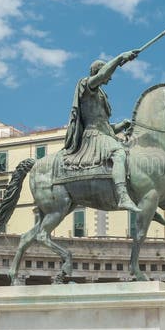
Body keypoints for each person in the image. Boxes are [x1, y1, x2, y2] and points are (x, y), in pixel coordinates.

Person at [64, 50, 141, 212]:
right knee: (119, 153)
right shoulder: (86, 85)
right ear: (98, 72)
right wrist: (120, 57)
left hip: (103, 133)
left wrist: (121, 125)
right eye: (107, 73)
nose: (110, 77)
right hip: (93, 136)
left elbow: (105, 126)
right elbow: (102, 76)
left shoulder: (101, 94)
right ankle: (122, 196)